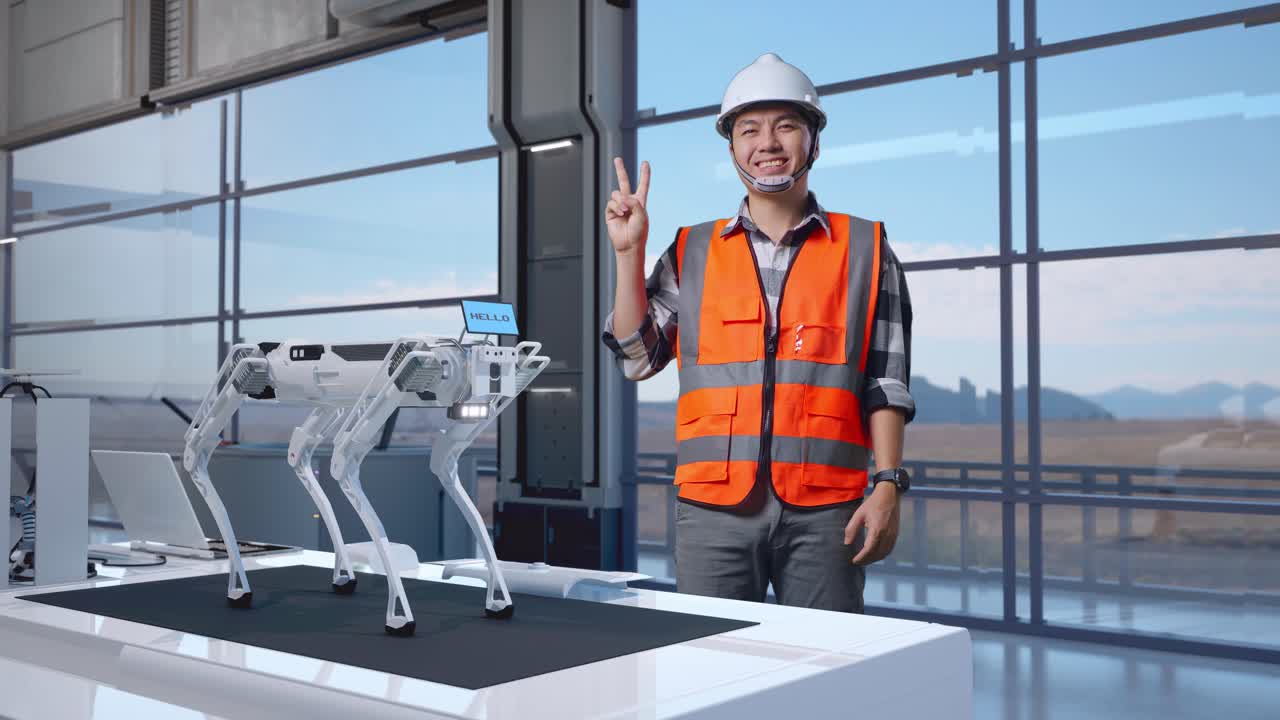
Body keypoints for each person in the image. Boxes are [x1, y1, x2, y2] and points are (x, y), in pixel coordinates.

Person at [601, 53, 916, 613]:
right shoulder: (691, 251)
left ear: (813, 140)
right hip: (713, 509)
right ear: (731, 148)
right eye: (749, 129)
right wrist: (630, 256)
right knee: (706, 669)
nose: (767, 142)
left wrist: (887, 482)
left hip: (827, 509)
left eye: (786, 125)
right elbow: (637, 357)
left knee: (824, 676)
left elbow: (885, 382)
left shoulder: (866, 249)